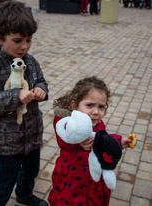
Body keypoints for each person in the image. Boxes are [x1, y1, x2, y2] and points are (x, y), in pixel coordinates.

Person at [0, 1, 49, 206]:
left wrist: (41, 90)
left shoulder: (31, 61)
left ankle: (24, 195)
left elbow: (41, 80)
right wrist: (15, 96)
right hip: (6, 143)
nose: (24, 46)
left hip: (32, 135)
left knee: (30, 173)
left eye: (28, 40)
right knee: (3, 185)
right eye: (17, 40)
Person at [48, 76, 132, 205]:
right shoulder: (68, 123)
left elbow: (103, 140)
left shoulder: (99, 124)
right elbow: (63, 140)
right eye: (90, 105)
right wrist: (79, 143)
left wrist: (119, 142)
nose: (96, 112)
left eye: (101, 107)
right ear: (74, 105)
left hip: (95, 178)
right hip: (73, 179)